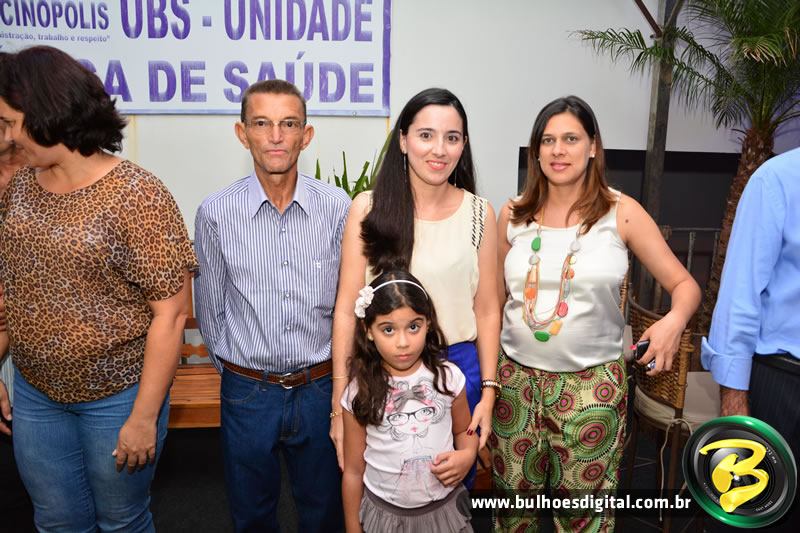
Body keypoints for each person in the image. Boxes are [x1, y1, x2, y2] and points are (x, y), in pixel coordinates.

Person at [0, 45, 195, 532]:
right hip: (36, 394)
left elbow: (171, 315)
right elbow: (12, 289)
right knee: (56, 521)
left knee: (121, 521)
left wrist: (144, 417)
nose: (7, 136)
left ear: (47, 113)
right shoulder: (19, 186)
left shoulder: (137, 194)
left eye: (11, 123)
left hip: (118, 397)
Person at [492, 95, 701, 532]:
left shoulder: (621, 212)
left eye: (571, 139)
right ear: (536, 151)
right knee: (513, 515)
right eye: (548, 140)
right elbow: (493, 302)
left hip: (591, 390)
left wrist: (672, 322)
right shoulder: (512, 213)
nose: (558, 150)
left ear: (593, 147)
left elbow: (686, 286)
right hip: (516, 386)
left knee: (583, 519)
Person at [194, 79, 349, 532]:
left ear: (307, 135)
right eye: (262, 124)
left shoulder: (337, 208)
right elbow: (211, 308)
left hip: (320, 389)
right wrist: (241, 374)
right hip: (248, 392)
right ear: (243, 133)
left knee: (323, 512)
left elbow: (349, 301)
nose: (276, 136)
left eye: (289, 124)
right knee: (251, 514)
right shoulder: (216, 213)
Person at [331, 88, 500, 487]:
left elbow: (488, 309)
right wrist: (338, 404)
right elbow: (346, 309)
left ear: (463, 145)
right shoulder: (368, 209)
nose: (439, 149)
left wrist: (489, 391)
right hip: (381, 373)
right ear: (403, 141)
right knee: (385, 489)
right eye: (426, 135)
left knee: (450, 492)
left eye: (452, 137)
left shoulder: (480, 213)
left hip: (458, 373)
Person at [702, 147, 800, 531]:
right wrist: (735, 412)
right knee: (755, 518)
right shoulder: (777, 180)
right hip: (782, 387)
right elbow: (738, 299)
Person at [341, 270, 478, 532]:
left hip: (445, 511)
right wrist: (352, 527)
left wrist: (469, 453)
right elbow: (353, 471)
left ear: (428, 324)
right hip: (387, 518)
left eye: (413, 327)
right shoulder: (359, 391)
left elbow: (465, 430)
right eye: (388, 329)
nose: (403, 343)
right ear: (368, 331)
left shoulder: (448, 378)